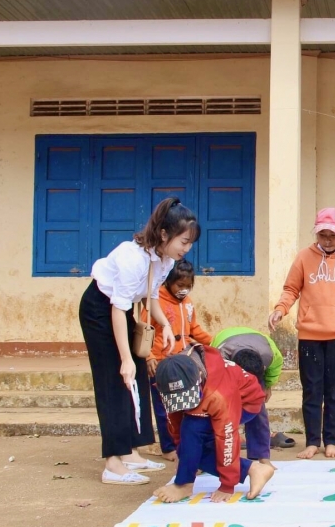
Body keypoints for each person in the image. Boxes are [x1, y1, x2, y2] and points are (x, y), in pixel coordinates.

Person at [78, 198, 198, 486]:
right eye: (184, 241)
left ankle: (131, 451)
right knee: (115, 380)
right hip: (100, 310)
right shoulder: (133, 258)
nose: (187, 248)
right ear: (165, 234)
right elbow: (117, 309)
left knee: (138, 381)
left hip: (123, 311)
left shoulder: (166, 260)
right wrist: (126, 359)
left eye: (191, 242)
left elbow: (151, 296)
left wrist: (166, 325)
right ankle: (113, 463)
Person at [269, 208, 335, 460]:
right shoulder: (304, 257)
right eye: (322, 235)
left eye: (332, 236)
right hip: (309, 336)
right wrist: (281, 309)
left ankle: (331, 441)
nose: (326, 240)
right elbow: (291, 288)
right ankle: (312, 441)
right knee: (312, 390)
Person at [152, 344, 275, 503]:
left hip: (244, 402)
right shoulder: (172, 375)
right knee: (189, 445)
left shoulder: (218, 394)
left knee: (192, 427)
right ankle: (254, 469)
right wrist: (181, 451)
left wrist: (227, 484)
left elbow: (227, 438)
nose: (184, 404)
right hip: (212, 397)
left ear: (198, 379)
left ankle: (184, 484)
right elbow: (174, 416)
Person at [144, 259, 213, 462]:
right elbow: (144, 330)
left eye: (188, 286)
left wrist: (216, 342)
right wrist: (149, 356)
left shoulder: (188, 303)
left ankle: (184, 443)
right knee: (164, 406)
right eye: (180, 285)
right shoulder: (156, 302)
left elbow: (195, 330)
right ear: (168, 281)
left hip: (185, 361)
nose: (184, 290)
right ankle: (168, 447)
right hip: (161, 363)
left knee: (188, 404)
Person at [211, 326, 294, 451]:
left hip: (254, 348)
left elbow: (275, 368)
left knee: (258, 409)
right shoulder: (219, 359)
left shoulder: (270, 355)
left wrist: (267, 385)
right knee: (223, 407)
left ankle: (261, 455)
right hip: (227, 349)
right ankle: (224, 447)